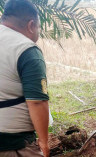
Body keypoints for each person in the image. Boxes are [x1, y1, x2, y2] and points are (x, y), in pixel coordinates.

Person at [0, 0, 49, 156]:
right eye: (39, 27)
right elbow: (37, 102)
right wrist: (44, 142)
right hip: (13, 143)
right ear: (31, 25)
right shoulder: (27, 50)